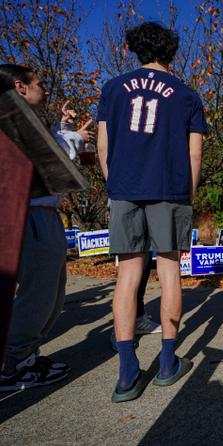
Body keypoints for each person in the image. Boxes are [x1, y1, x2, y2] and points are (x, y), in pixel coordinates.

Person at [96, 22, 207, 402]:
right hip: (169, 190)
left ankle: (127, 372)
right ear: (171, 51)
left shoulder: (112, 88)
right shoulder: (187, 95)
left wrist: (116, 184)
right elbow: (194, 154)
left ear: (136, 49)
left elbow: (103, 145)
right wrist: (187, 197)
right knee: (169, 269)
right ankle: (167, 361)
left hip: (125, 189)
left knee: (128, 274)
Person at [0, 64, 94, 391]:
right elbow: (43, 164)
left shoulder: (21, 120)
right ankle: (13, 366)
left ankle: (24, 357)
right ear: (19, 86)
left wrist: (63, 129)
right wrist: (75, 138)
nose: (45, 88)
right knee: (38, 294)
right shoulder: (11, 119)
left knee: (51, 296)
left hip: (42, 215)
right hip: (32, 215)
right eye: (39, 83)